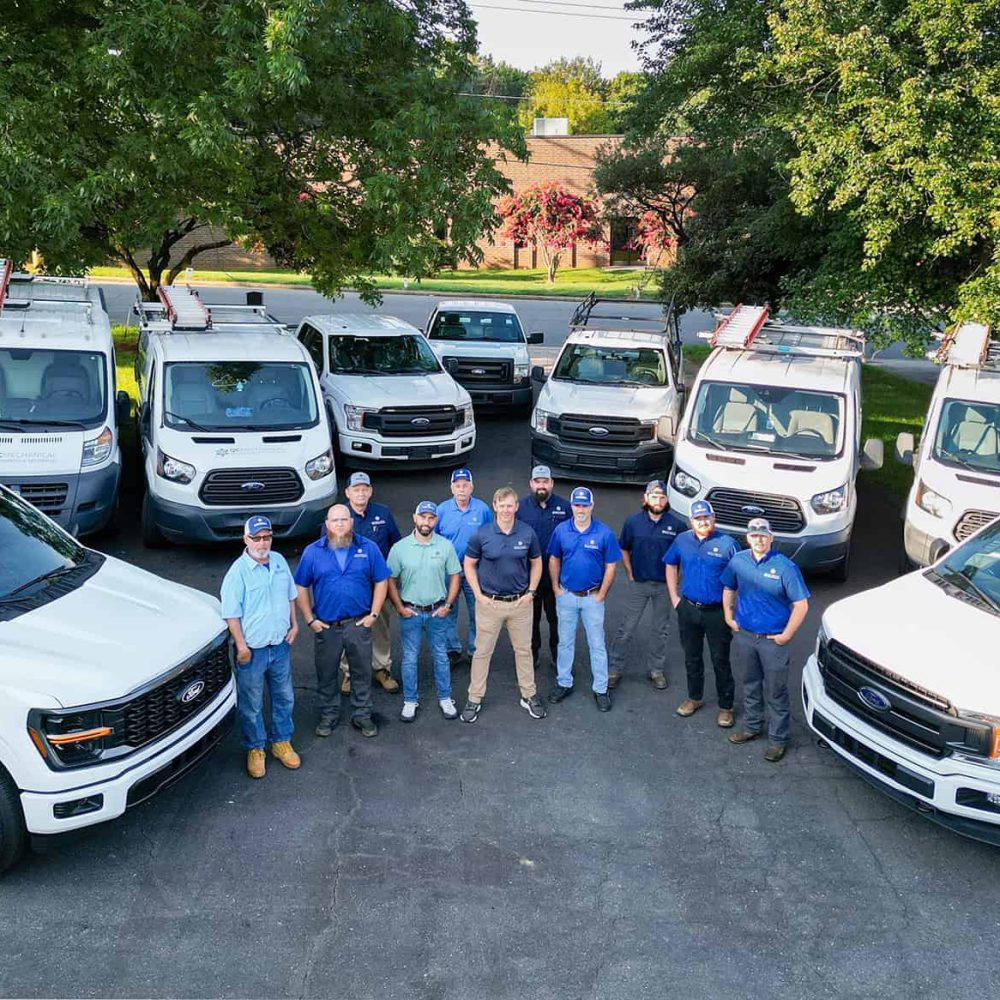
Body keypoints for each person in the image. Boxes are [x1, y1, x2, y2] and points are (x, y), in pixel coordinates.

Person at [294, 504, 389, 740]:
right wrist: (309, 619)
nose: (339, 524)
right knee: (326, 674)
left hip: (359, 624)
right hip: (327, 627)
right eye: (335, 520)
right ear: (327, 524)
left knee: (361, 672)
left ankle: (362, 714)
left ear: (351, 522)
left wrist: (374, 615)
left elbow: (381, 581)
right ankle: (328, 714)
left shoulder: (369, 548)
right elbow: (301, 586)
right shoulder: (313, 552)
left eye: (344, 520)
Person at [721, 518, 810, 762]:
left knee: (776, 690)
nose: (758, 539)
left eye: (763, 535)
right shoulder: (738, 560)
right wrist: (729, 616)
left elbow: (801, 605)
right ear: (747, 538)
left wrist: (786, 635)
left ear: (771, 538)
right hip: (746, 636)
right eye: (754, 535)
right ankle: (752, 727)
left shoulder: (785, 567)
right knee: (749, 683)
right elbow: (729, 587)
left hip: (773, 641)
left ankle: (778, 740)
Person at [220, 515, 300, 779]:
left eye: (266, 537)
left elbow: (290, 595)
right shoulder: (237, 572)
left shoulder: (278, 562)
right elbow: (231, 613)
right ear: (246, 539)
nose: (262, 542)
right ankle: (256, 748)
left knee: (284, 696)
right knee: (251, 702)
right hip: (251, 652)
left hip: (279, 646)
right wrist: (241, 647)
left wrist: (295, 624)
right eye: (256, 537)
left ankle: (280, 742)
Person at [460, 487, 546, 723]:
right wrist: (478, 594)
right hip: (490, 604)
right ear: (495, 506)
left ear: (516, 507)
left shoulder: (527, 533)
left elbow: (537, 563)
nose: (506, 510)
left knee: (524, 651)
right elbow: (469, 564)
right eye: (502, 505)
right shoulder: (482, 534)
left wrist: (531, 592)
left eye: (511, 505)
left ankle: (529, 695)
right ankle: (474, 698)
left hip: (520, 603)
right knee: (482, 653)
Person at [664, 500, 741, 727]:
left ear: (713, 518)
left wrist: (731, 611)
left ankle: (726, 707)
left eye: (706, 517)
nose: (703, 522)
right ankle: (694, 698)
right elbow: (670, 564)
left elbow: (739, 577)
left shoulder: (728, 544)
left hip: (717, 613)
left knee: (720, 659)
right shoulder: (682, 540)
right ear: (691, 521)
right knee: (692, 656)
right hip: (688, 608)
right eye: (698, 518)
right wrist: (674, 598)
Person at [546, 486, 621, 712]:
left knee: (597, 644)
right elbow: (553, 559)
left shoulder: (604, 533)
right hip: (567, 595)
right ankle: (564, 682)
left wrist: (602, 594)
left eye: (585, 505)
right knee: (565, 642)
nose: (581, 509)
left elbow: (611, 566)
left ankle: (600, 688)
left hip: (592, 598)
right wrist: (556, 588)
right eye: (577, 505)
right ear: (572, 506)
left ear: (592, 506)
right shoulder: (561, 530)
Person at [387, 501, 463, 722]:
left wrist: (448, 605)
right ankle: (410, 701)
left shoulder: (445, 546)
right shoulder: (400, 548)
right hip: (411, 611)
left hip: (436, 611)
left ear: (436, 521)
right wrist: (400, 607)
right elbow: (390, 579)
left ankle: (445, 698)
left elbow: (455, 575)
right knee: (410, 657)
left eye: (431, 518)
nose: (426, 522)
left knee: (441, 655)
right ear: (415, 518)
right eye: (423, 517)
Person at [608, 480, 686, 691]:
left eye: (662, 497)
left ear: (667, 499)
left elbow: (683, 556)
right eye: (654, 496)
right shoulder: (633, 522)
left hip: (663, 587)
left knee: (660, 630)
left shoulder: (677, 525)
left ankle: (656, 670)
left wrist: (676, 578)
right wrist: (630, 571)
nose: (658, 500)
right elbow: (623, 548)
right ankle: (615, 668)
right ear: (646, 498)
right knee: (626, 628)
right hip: (639, 584)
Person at [339, 471, 402, 695]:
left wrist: (394, 578)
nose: (361, 493)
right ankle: (349, 672)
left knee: (380, 627)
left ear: (371, 491)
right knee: (349, 629)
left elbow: (397, 545)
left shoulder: (382, 512)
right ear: (347, 493)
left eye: (365, 488)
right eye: (356, 489)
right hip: (350, 586)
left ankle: (381, 668)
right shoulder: (339, 516)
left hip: (379, 585)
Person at [436, 468, 493, 666]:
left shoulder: (482, 509)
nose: (461, 489)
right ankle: (452, 649)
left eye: (465, 485)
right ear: (451, 488)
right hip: (449, 571)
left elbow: (490, 536)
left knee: (477, 611)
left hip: (474, 570)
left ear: (472, 487)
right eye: (457, 485)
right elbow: (433, 538)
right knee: (449, 610)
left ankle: (474, 650)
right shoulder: (441, 510)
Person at [517, 465, 570, 670]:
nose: (541, 485)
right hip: (529, 578)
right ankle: (533, 656)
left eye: (545, 481)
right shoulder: (520, 507)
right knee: (531, 621)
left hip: (556, 578)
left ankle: (558, 657)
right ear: (531, 484)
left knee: (557, 621)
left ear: (551, 483)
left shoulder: (565, 508)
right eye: (537, 481)